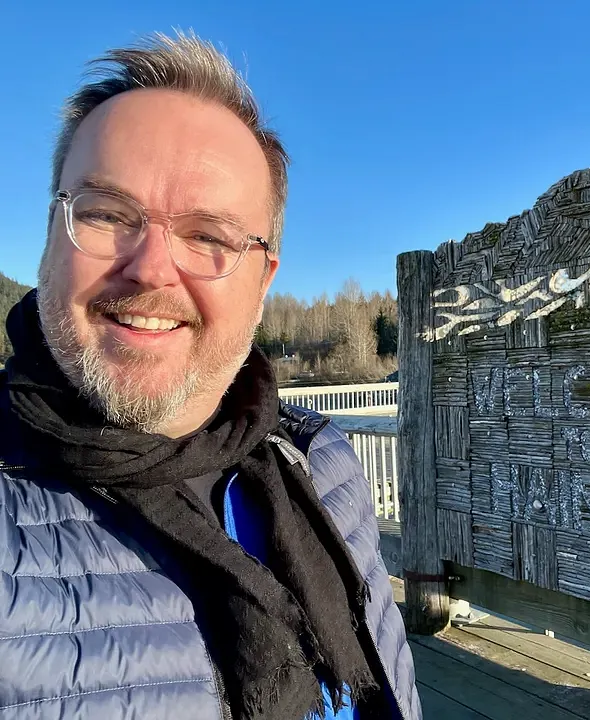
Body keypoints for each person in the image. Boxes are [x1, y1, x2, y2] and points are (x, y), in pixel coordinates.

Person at [0, 31, 421, 720]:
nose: (151, 270)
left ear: (263, 281)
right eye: (107, 214)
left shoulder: (320, 464)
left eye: (208, 236)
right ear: (50, 236)